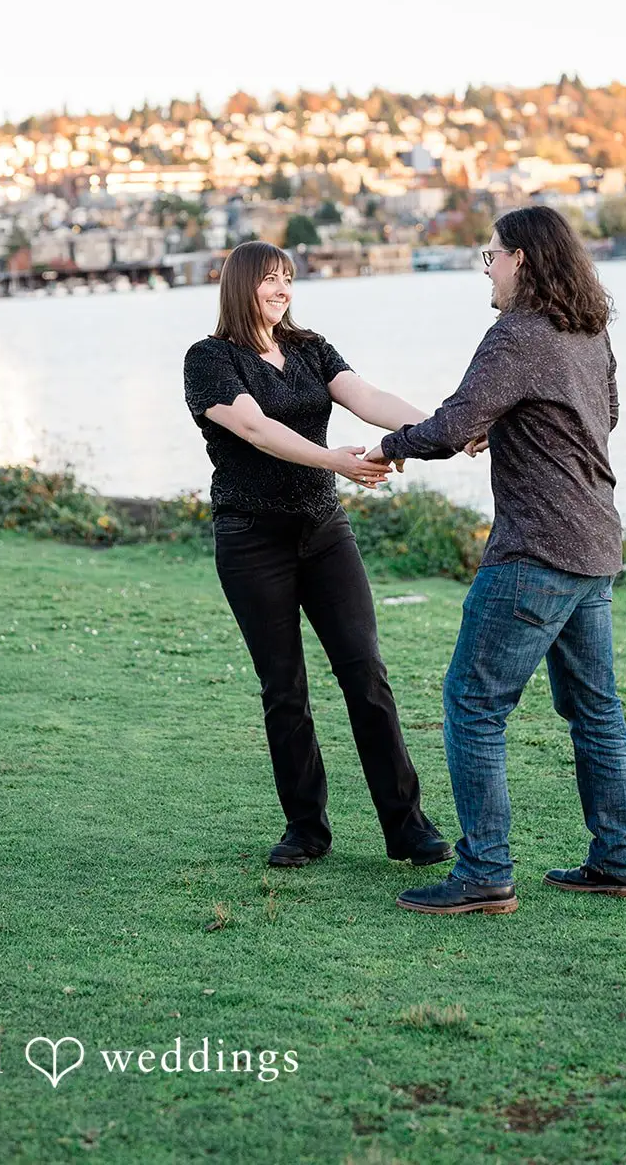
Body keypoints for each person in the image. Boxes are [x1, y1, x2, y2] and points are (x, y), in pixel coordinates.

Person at [365, 206, 626, 916]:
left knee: (471, 704)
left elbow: (452, 425)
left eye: (488, 256)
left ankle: (484, 871)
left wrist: (389, 446)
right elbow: (600, 416)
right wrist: (515, 419)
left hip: (535, 551)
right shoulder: (588, 330)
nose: (485, 270)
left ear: (520, 259)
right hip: (594, 544)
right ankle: (618, 862)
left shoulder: (514, 334)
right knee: (595, 712)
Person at [183, 239, 451, 870]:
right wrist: (336, 460)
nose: (281, 289)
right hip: (252, 539)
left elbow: (367, 397)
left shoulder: (309, 348)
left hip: (324, 532)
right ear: (240, 286)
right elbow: (254, 428)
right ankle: (306, 828)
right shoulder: (210, 360)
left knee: (366, 673)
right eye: (269, 279)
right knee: (284, 687)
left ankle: (407, 827)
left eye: (287, 279)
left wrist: (444, 428)